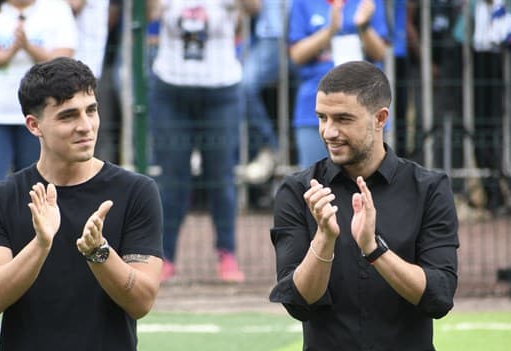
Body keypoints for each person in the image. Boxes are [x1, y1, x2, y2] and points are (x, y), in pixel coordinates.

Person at [0, 57, 164, 351]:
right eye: (67, 116)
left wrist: (99, 252)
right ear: (34, 125)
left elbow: (142, 300)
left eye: (91, 110)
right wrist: (41, 244)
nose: (85, 125)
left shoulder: (136, 191)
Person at [269, 61, 458, 351]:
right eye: (321, 117)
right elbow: (298, 302)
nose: (328, 131)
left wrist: (373, 249)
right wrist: (324, 238)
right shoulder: (298, 191)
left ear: (380, 118)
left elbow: (438, 295)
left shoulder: (429, 190)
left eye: (342, 119)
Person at [0, 0, 77, 301]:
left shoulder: (56, 9)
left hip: (41, 119)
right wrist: (8, 54)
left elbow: (66, 59)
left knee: (41, 191)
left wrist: (30, 49)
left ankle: (43, 267)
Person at [150, 0, 261, 283]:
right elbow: (149, 13)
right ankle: (164, 255)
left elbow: (254, 8)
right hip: (171, 88)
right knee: (173, 178)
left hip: (221, 89)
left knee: (220, 177)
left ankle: (227, 252)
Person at [288, 0, 389, 168]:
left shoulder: (369, 2)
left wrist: (363, 26)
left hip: (364, 106)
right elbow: (297, 54)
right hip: (313, 109)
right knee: (315, 181)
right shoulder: (302, 3)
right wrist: (330, 30)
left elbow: (379, 52)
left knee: (366, 181)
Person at [240, 0, 291, 185]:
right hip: (263, 35)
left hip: (279, 36)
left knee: (243, 86)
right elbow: (252, 8)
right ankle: (269, 148)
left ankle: (270, 148)